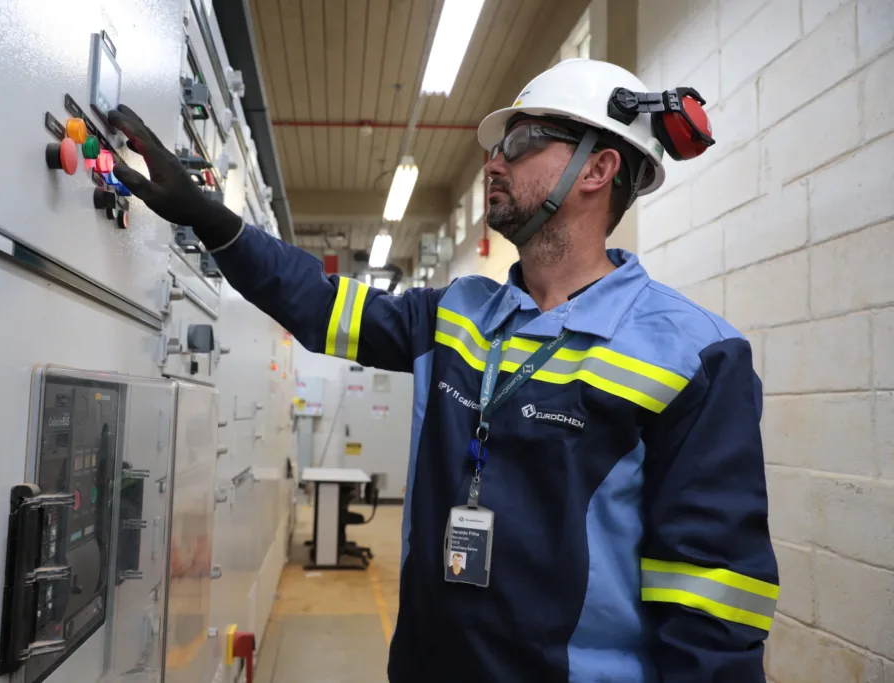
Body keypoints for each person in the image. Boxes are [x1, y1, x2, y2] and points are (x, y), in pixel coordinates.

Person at [108, 58, 778, 683]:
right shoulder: (457, 313)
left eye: (520, 144)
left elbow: (714, 606)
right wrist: (206, 215)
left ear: (597, 169)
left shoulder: (694, 356)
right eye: (495, 147)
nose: (493, 161)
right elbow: (316, 303)